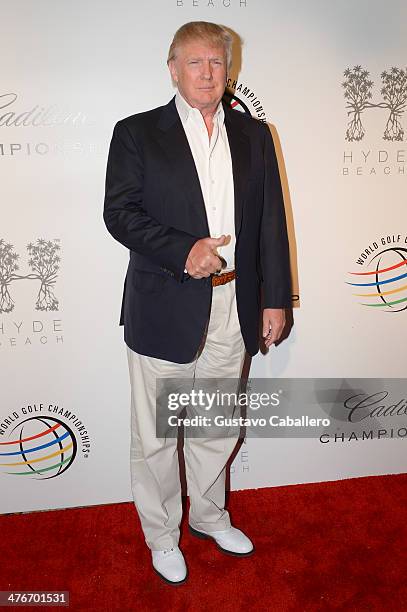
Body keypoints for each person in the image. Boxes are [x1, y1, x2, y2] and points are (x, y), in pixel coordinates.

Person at [104, 21, 291, 585]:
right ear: (172, 68)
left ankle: (209, 516)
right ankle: (162, 535)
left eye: (217, 62)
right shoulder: (137, 133)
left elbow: (270, 226)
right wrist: (182, 250)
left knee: (215, 423)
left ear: (228, 69)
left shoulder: (255, 135)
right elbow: (120, 214)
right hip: (165, 302)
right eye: (195, 62)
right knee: (158, 434)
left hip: (235, 303)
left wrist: (274, 299)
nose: (208, 73)